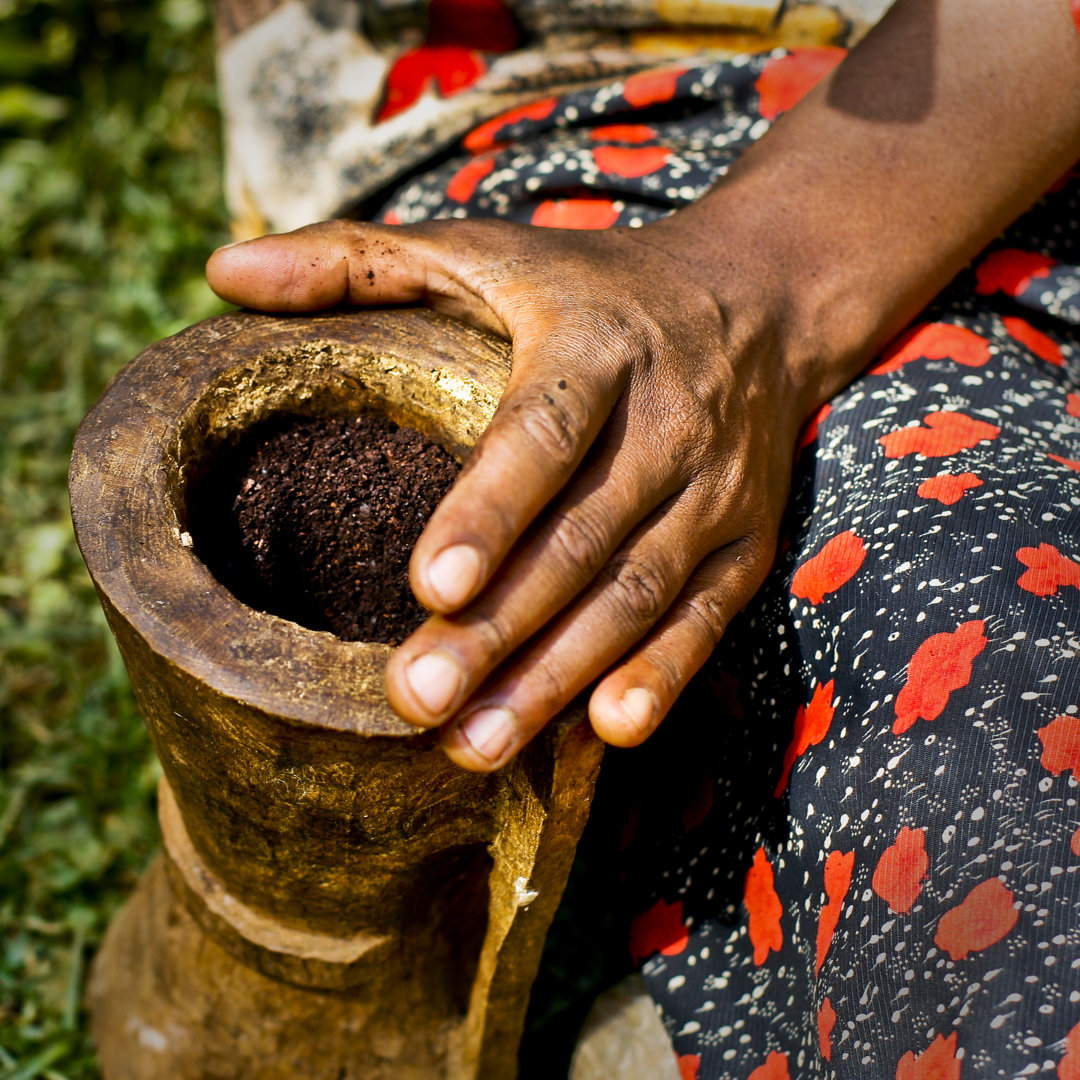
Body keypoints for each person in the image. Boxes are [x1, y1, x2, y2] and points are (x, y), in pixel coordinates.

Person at [207, 0, 1080, 1074]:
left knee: (981, 696)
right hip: (550, 138)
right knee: (976, 674)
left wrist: (750, 288)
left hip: (975, 146)